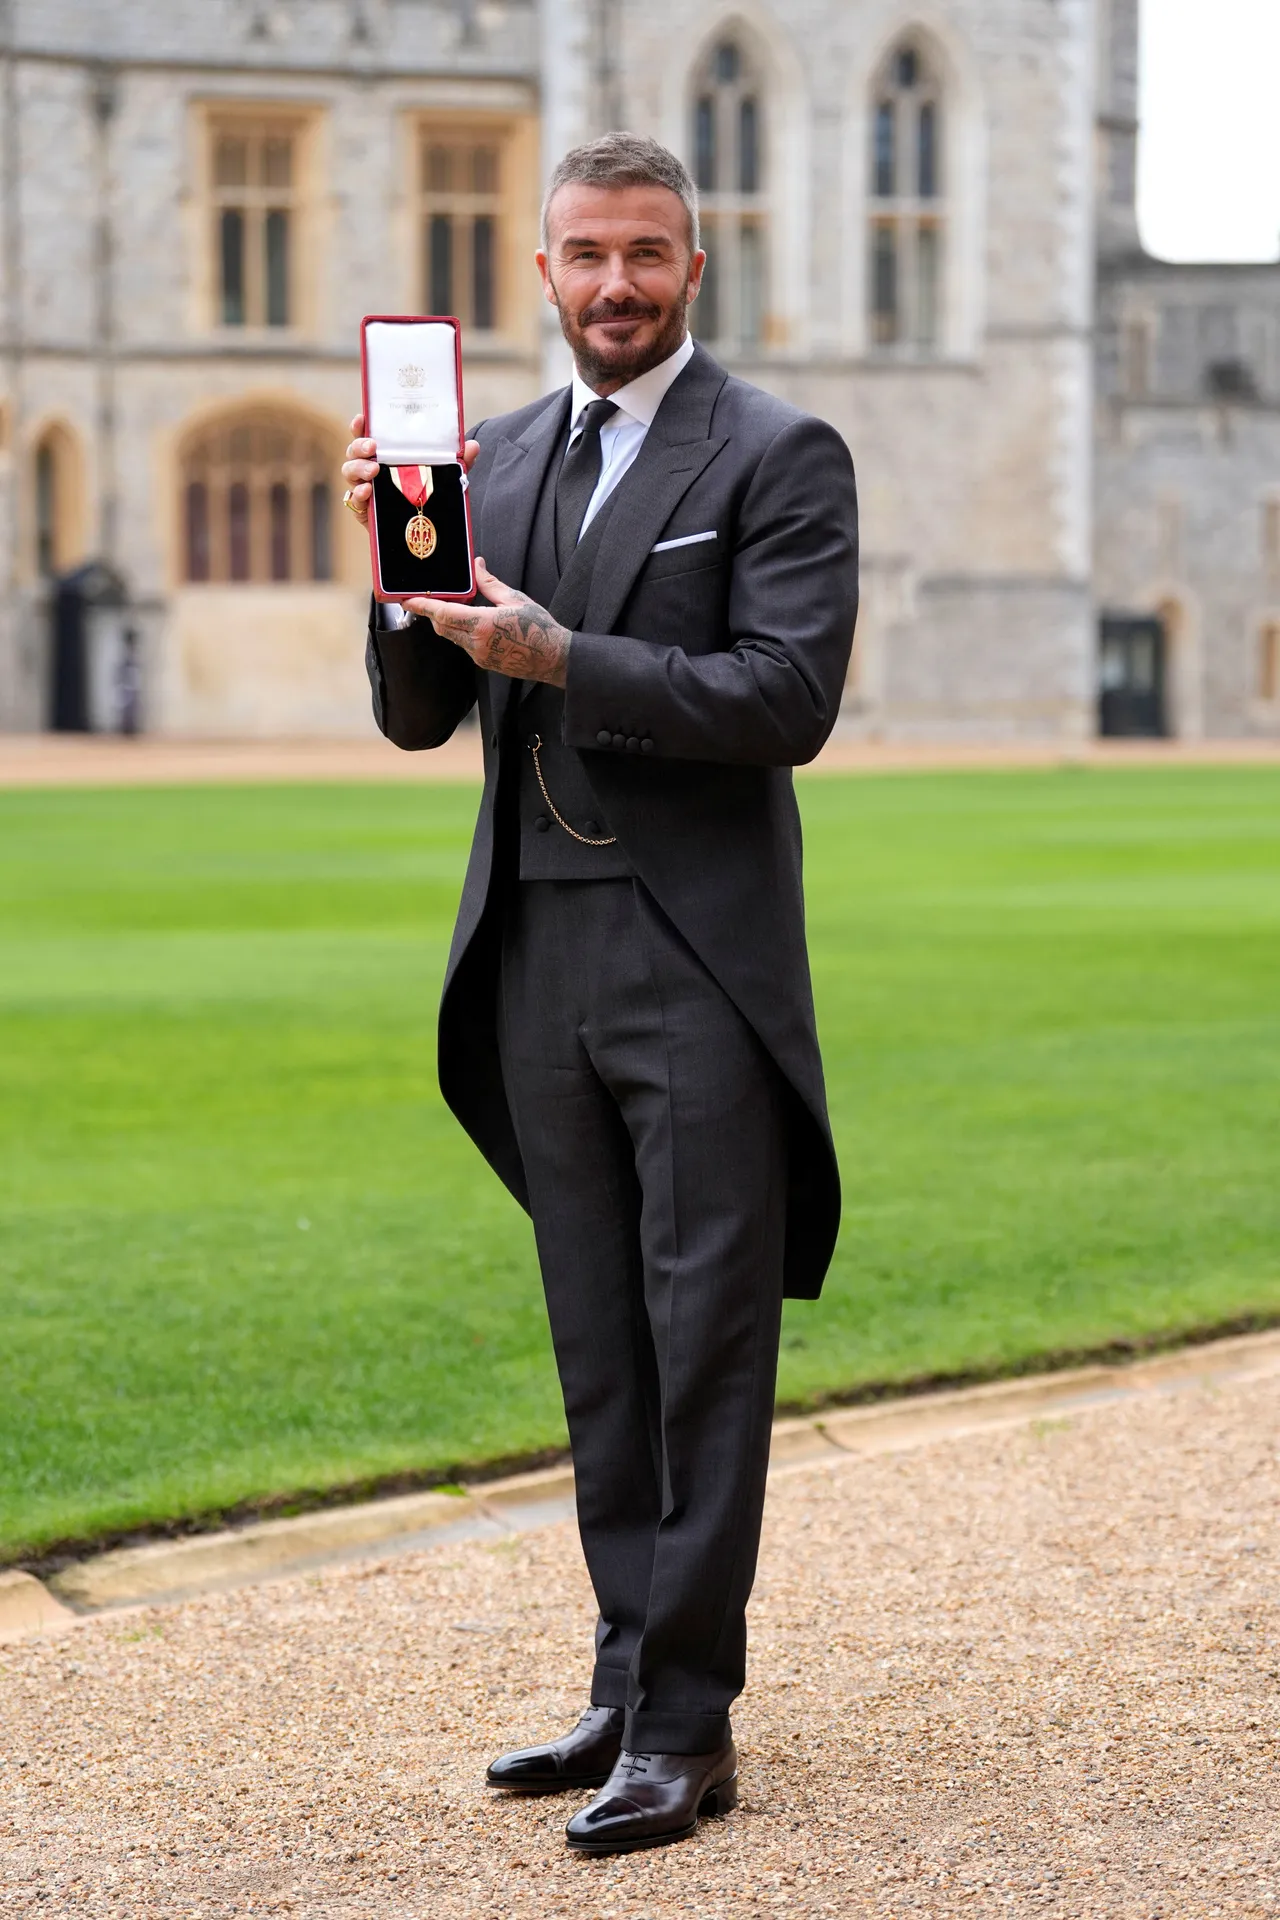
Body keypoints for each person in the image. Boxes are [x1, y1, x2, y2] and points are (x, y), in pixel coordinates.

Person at [341, 131, 858, 1855]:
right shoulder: (484, 457)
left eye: (648, 253)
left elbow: (783, 697)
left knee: (707, 1342)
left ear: (692, 269)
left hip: (694, 958)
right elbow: (421, 716)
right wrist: (396, 575)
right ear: (543, 275)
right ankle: (629, 1675)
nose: (617, 283)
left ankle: (692, 1725)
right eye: (586, 255)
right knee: (601, 1345)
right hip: (533, 949)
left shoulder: (780, 453)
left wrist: (560, 655)